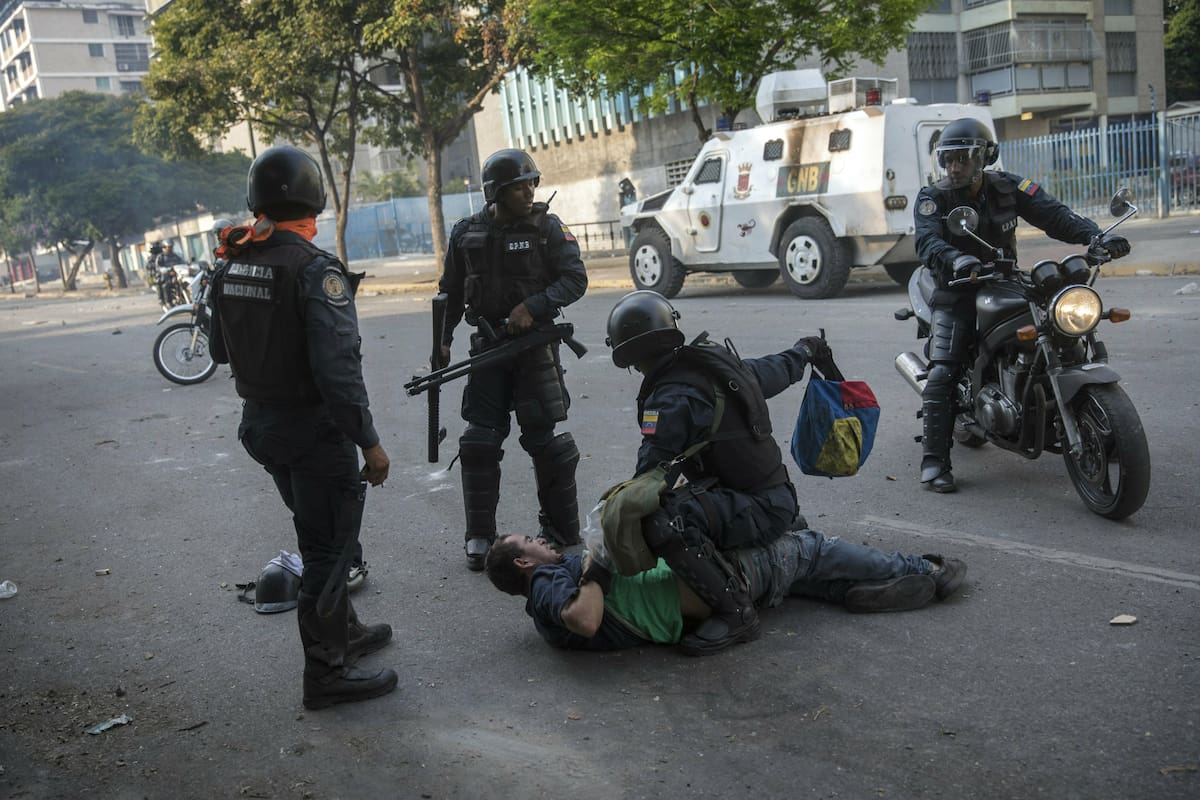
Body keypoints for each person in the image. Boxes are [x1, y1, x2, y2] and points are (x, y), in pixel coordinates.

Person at [208, 145, 397, 710]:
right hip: (314, 434)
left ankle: (347, 633)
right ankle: (326, 674)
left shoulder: (231, 263)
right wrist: (370, 443)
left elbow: (218, 351)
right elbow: (338, 373)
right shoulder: (315, 269)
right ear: (313, 200)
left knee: (318, 534)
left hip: (262, 429)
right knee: (330, 551)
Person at [602, 290, 895, 656]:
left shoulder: (671, 399)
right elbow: (777, 368)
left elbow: (646, 480)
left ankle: (736, 614)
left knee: (662, 521)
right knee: (685, 506)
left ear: (629, 354)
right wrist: (805, 350)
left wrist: (605, 536)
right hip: (776, 497)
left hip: (758, 507)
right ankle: (781, 539)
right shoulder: (718, 367)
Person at [914, 117, 1131, 493]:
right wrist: (956, 259)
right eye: (948, 159)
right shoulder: (933, 197)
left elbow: (1055, 216)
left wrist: (1095, 236)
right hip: (956, 287)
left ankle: (1095, 422)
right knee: (944, 370)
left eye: (963, 158)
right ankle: (934, 461)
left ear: (985, 157)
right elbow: (926, 242)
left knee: (1060, 330)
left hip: (1005, 280)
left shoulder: (1009, 187)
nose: (954, 167)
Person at [439, 148, 588, 571]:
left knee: (546, 443)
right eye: (519, 186)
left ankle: (561, 532)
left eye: (531, 183)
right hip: (489, 350)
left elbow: (575, 279)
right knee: (479, 442)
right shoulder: (465, 233)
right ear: (495, 192)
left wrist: (533, 307)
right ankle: (480, 536)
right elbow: (450, 292)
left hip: (534, 348)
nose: (529, 191)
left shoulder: (547, 228)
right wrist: (442, 340)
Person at [485, 533, 966, 651]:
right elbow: (584, 619)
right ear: (523, 563)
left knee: (790, 569)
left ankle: (859, 589)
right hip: (709, 587)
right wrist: (600, 560)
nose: (541, 539)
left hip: (701, 593)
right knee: (806, 548)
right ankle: (925, 569)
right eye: (529, 541)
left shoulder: (549, 592)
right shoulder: (546, 583)